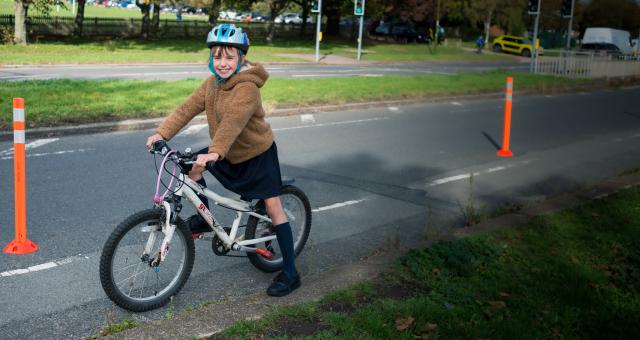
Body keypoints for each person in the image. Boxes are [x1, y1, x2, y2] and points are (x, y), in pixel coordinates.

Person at [145, 23, 300, 297]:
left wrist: (214, 152)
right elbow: (186, 109)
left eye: (229, 57)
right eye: (217, 56)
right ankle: (205, 220)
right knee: (189, 168)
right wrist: (161, 132)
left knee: (274, 207)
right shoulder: (211, 85)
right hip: (225, 150)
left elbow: (232, 123)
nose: (223, 63)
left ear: (241, 58)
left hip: (256, 155)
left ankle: (290, 272)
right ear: (211, 58)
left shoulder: (247, 88)